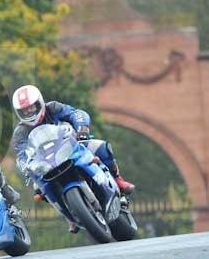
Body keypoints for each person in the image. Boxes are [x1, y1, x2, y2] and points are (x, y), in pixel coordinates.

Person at [11, 84, 135, 233]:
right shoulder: (20, 132)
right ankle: (69, 216)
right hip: (45, 164)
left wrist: (82, 128)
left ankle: (117, 180)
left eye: (32, 107)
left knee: (102, 148)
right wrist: (25, 166)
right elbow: (22, 155)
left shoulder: (53, 108)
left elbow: (75, 114)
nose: (29, 112)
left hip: (72, 147)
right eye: (24, 110)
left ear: (40, 102)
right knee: (39, 188)